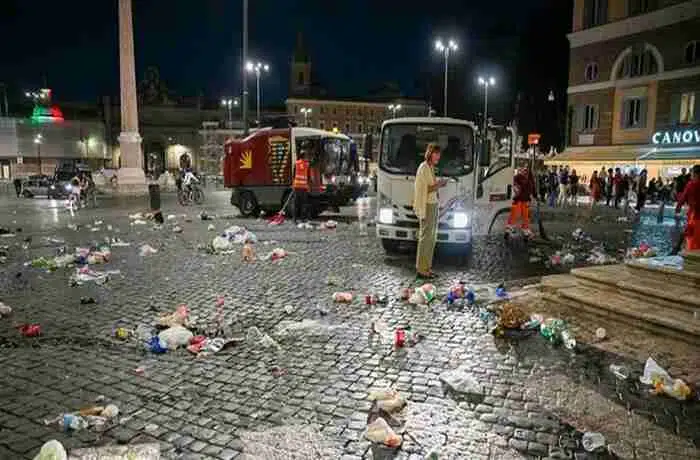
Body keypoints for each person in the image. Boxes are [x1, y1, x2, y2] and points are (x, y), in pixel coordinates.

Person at [414, 143, 447, 279]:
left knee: (431, 238)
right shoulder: (424, 168)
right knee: (426, 237)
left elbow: (429, 188)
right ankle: (421, 269)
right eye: (436, 153)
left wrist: (437, 185)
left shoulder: (430, 168)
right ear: (430, 153)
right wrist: (439, 184)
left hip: (432, 204)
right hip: (427, 205)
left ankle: (427, 267)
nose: (438, 156)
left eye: (439, 154)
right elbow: (424, 189)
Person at [675, 165, 700, 251]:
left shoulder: (691, 184)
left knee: (690, 236)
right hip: (695, 215)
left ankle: (682, 251)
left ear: (696, 174)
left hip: (694, 215)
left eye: (691, 172)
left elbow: (683, 197)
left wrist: (678, 207)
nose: (690, 174)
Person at [508, 166, 535, 235]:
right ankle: (510, 227)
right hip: (518, 199)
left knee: (525, 215)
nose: (524, 172)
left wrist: (535, 195)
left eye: (526, 171)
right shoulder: (518, 177)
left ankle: (525, 228)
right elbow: (514, 184)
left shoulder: (529, 179)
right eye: (524, 171)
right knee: (515, 213)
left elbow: (532, 188)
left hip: (524, 200)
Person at [292, 151, 311, 223]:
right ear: (304, 156)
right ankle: (303, 219)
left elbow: (294, 175)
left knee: (296, 204)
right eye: (306, 156)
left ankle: (294, 219)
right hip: (304, 188)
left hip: (296, 186)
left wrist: (293, 185)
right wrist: (309, 186)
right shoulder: (307, 165)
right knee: (303, 204)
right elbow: (308, 177)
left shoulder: (296, 163)